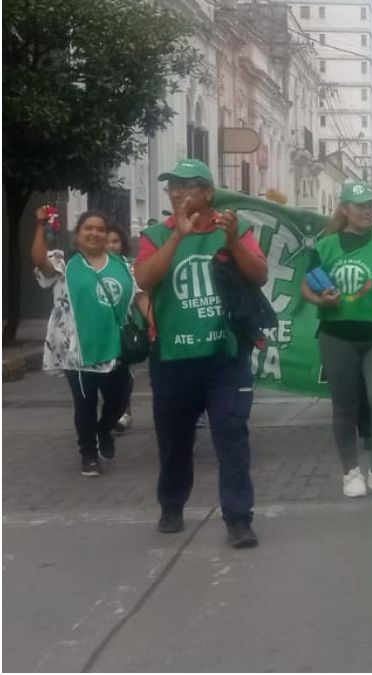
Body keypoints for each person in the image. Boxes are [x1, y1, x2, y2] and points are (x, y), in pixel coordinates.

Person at [135, 158, 268, 549]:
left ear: (208, 193)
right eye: (173, 186)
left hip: (224, 357)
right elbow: (143, 278)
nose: (178, 192)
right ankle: (172, 505)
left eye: (188, 185)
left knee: (231, 435)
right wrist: (178, 235)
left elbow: (258, 274)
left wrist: (230, 242)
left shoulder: (235, 229)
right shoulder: (156, 234)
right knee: (174, 439)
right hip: (172, 359)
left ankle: (239, 519)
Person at [301, 180, 372, 500]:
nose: (367, 210)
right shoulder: (326, 245)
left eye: (371, 204)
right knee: (345, 406)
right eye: (359, 205)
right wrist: (321, 300)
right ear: (344, 208)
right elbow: (308, 285)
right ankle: (350, 471)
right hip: (337, 334)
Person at [32, 208, 146, 476]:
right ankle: (88, 454)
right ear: (78, 234)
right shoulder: (66, 263)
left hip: (116, 349)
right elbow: (39, 260)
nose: (95, 233)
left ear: (107, 236)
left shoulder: (124, 267)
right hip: (77, 352)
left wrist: (154, 325)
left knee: (119, 401)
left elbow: (141, 297)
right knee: (84, 405)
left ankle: (103, 430)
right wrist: (39, 225)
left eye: (100, 229)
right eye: (88, 228)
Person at [105, 223, 137, 434]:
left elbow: (141, 294)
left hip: (124, 328)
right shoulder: (88, 267)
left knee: (123, 372)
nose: (110, 245)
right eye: (107, 241)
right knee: (104, 376)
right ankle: (111, 411)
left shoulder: (130, 267)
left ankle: (124, 410)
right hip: (99, 330)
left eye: (115, 241)